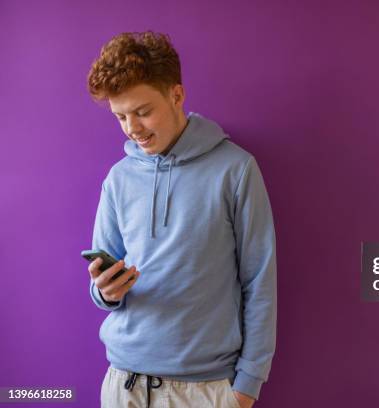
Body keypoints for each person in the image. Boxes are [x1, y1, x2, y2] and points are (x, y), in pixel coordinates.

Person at [85, 31, 277, 408]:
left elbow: (260, 279)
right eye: (121, 116)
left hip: (204, 389)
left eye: (142, 112)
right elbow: (100, 276)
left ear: (176, 95)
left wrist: (247, 387)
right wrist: (104, 292)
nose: (132, 128)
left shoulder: (235, 170)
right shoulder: (119, 178)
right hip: (124, 383)